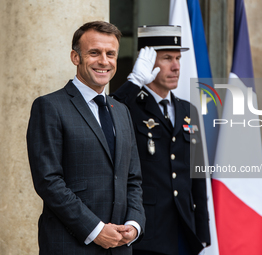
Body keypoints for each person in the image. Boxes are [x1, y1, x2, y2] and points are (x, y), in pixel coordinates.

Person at [26, 21, 145, 255]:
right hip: (70, 245)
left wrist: (134, 224)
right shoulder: (49, 106)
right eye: (94, 53)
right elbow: (48, 181)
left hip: (120, 247)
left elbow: (133, 179)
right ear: (75, 57)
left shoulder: (122, 111)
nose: (104, 61)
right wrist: (95, 229)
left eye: (110, 54)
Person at [112, 25, 210, 255]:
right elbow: (106, 112)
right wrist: (134, 82)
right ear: (146, 61)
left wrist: (203, 232)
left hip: (184, 228)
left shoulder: (188, 110)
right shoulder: (129, 106)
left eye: (178, 58)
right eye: (167, 58)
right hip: (147, 229)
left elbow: (198, 174)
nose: (176, 66)